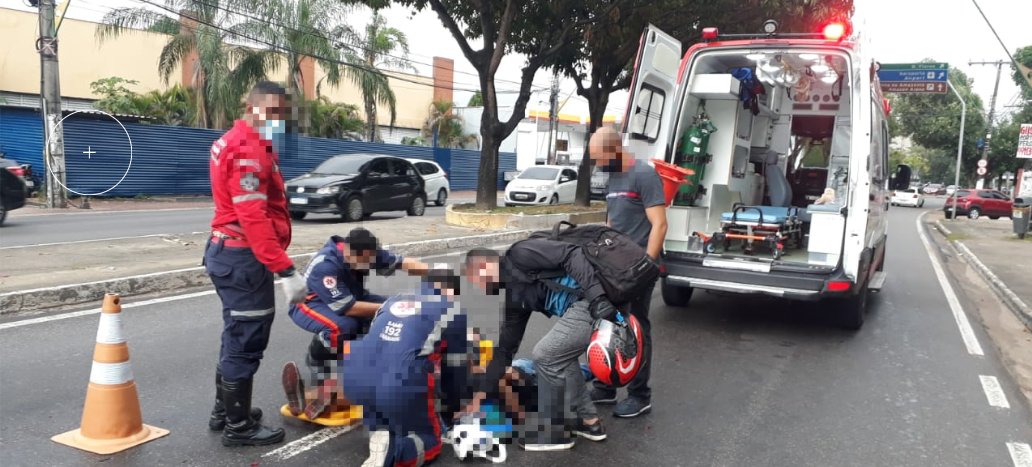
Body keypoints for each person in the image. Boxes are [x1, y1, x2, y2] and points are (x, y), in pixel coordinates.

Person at [204, 81, 308, 446]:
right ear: (254, 107)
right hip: (244, 258)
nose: (279, 121)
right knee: (246, 340)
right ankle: (238, 428)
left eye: (283, 115)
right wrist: (285, 269)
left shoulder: (233, 140)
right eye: (275, 113)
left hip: (228, 253)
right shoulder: (247, 150)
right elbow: (254, 217)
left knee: (234, 334)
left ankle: (226, 411)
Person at [284, 266, 470, 467]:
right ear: (450, 290)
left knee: (383, 375)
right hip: (399, 384)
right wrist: (454, 411)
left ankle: (325, 397)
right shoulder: (452, 311)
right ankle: (396, 450)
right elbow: (454, 373)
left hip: (356, 376)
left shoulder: (393, 300)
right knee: (430, 439)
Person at [461, 240, 623, 451]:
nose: (479, 289)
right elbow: (504, 352)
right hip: (583, 306)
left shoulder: (519, 254)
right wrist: (480, 396)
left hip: (594, 301)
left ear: (483, 268)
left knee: (544, 355)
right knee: (561, 357)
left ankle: (554, 432)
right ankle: (589, 422)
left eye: (476, 282)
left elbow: (572, 252)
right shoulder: (514, 297)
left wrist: (597, 298)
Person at [283, 227, 429, 418]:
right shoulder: (325, 266)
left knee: (403, 310)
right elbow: (349, 308)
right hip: (309, 303)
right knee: (342, 327)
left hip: (350, 298)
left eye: (371, 259)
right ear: (350, 254)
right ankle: (318, 365)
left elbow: (402, 263)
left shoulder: (367, 251)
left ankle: (373, 369)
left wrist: (438, 274)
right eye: (365, 261)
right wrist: (390, 306)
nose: (370, 264)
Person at [587, 126, 668, 418]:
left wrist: (648, 264)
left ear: (614, 150)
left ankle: (639, 394)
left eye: (599, 158)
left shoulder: (644, 174)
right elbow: (613, 220)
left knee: (635, 329)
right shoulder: (612, 176)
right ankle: (606, 386)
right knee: (607, 323)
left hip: (638, 268)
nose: (597, 164)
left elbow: (659, 223)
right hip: (614, 267)